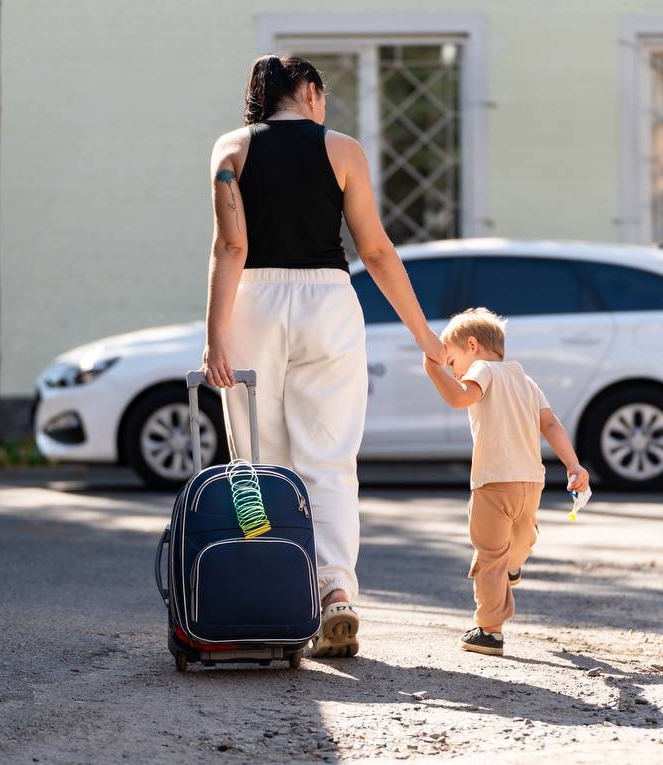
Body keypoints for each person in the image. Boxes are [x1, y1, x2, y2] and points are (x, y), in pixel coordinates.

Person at [201, 54, 447, 658]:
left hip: (254, 301)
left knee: (254, 460)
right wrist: (425, 336)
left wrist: (214, 338)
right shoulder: (343, 151)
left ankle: (271, 589)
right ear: (309, 92)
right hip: (329, 304)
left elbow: (230, 245)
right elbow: (379, 252)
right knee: (329, 458)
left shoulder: (230, 150)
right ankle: (336, 590)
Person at [423, 308, 591, 656]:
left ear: (472, 346)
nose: (454, 370)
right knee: (520, 538)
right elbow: (552, 425)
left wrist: (433, 370)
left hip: (493, 482)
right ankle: (514, 566)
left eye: (453, 360)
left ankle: (490, 631)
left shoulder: (482, 370)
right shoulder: (526, 381)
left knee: (489, 556)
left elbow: (458, 398)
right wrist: (574, 465)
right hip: (531, 482)